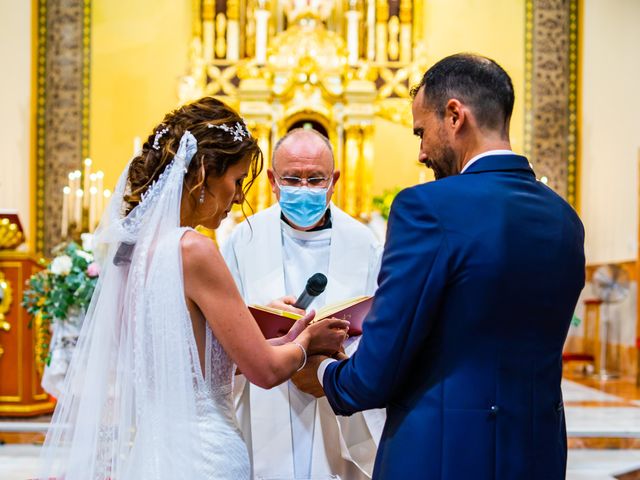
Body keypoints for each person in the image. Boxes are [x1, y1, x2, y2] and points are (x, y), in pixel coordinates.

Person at [294, 53, 586, 479]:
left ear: (454, 116)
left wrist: (320, 370)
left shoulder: (428, 208)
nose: (421, 153)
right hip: (537, 455)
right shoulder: (565, 219)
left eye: (421, 132)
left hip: (441, 456)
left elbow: (375, 374)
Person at [37, 97, 349, 480]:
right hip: (206, 455)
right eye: (236, 181)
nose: (238, 198)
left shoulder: (129, 253)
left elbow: (189, 366)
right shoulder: (193, 250)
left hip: (152, 454)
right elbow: (265, 373)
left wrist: (267, 332)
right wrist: (308, 342)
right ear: (203, 174)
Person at [221, 128, 384, 479]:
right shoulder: (243, 239)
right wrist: (262, 322)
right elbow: (218, 329)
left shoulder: (364, 243)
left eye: (315, 179)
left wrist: (336, 355)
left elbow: (381, 326)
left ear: (334, 180)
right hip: (265, 398)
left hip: (335, 392)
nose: (304, 189)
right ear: (272, 181)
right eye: (292, 179)